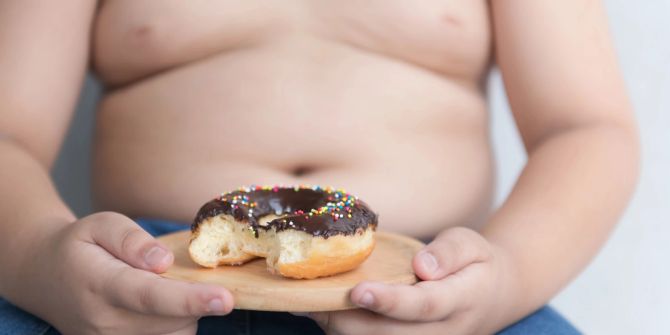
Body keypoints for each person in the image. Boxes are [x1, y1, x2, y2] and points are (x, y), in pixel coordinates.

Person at [0, 1, 639, 334]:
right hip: (134, 295)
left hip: (432, 298)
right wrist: (39, 259)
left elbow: (584, 129)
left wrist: (507, 281)